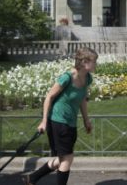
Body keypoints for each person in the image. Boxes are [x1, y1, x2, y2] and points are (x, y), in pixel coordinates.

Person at [24, 47, 98, 185]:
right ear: (84, 62)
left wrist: (86, 120)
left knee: (62, 159)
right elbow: (49, 97)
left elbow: (82, 99)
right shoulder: (67, 77)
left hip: (71, 123)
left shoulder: (87, 78)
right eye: (94, 61)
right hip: (58, 122)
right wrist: (44, 121)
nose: (96, 64)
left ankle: (32, 178)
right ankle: (33, 178)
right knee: (67, 159)